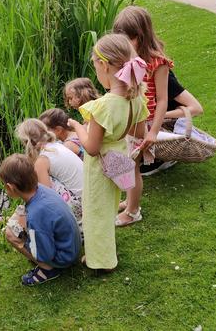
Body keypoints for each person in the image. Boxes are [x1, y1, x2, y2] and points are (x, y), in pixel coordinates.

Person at [67, 34, 148, 271]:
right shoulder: (136, 98)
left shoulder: (103, 105)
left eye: (96, 67)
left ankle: (101, 261)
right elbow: (140, 131)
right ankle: (105, 249)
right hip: (120, 157)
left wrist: (77, 128)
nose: (97, 73)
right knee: (109, 207)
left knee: (95, 212)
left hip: (101, 167)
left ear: (104, 65)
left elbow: (91, 148)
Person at [112, 6, 172, 226]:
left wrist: (154, 131)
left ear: (140, 36)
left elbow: (163, 100)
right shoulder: (125, 59)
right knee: (125, 162)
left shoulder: (158, 63)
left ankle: (133, 211)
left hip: (143, 121)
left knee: (132, 166)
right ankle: (129, 201)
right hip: (127, 118)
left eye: (127, 39)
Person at [0, 154, 81, 285]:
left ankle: (48, 270)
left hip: (65, 257)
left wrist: (25, 236)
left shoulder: (36, 215)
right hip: (71, 245)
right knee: (19, 214)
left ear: (10, 187)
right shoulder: (41, 189)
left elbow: (45, 254)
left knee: (10, 234)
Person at [138, 70, 204, 176]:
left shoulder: (162, 75)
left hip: (164, 125)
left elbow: (196, 108)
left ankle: (162, 158)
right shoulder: (133, 72)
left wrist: (159, 116)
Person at [15, 119, 84, 220]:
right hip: (90, 196)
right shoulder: (57, 145)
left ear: (26, 142)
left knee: (41, 188)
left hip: (83, 206)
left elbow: (47, 198)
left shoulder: (42, 161)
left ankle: (70, 221)